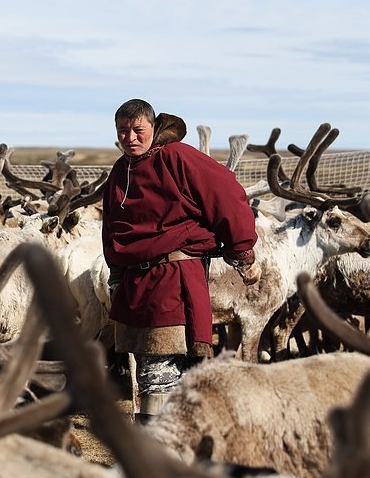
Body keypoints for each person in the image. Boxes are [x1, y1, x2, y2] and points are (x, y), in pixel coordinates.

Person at [102, 99, 260, 422]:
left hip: (174, 280)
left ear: (153, 126)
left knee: (162, 371)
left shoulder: (177, 157)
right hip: (135, 287)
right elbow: (112, 230)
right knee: (158, 371)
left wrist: (243, 252)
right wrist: (116, 277)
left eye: (137, 130)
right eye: (122, 131)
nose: (129, 138)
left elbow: (226, 194)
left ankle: (160, 452)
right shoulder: (121, 172)